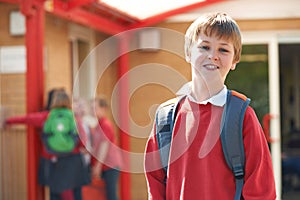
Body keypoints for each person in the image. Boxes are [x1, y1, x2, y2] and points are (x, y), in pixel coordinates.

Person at [144, 12, 276, 199]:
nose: (213, 56)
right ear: (188, 53)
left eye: (223, 50)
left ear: (234, 60)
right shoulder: (166, 117)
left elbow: (262, 189)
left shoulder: (242, 115)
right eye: (204, 47)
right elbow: (155, 182)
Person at [5, 89, 90, 200]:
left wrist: (9, 121)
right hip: (73, 161)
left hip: (53, 161)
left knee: (55, 193)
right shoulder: (73, 117)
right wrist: (83, 148)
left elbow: (27, 119)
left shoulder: (47, 116)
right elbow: (82, 138)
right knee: (75, 192)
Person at [91, 96, 122, 200]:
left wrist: (98, 166)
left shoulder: (105, 125)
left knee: (111, 194)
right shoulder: (98, 125)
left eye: (95, 108)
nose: (93, 111)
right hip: (105, 165)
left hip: (111, 165)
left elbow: (104, 146)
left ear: (103, 109)